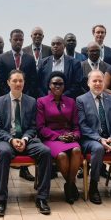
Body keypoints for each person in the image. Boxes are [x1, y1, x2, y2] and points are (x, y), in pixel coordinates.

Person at [0, 70, 52, 216]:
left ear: (24, 83)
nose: (18, 84)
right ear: (8, 82)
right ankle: (1, 199)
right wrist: (11, 140)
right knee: (4, 152)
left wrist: (24, 139)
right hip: (5, 140)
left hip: (27, 140)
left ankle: (42, 198)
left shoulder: (32, 101)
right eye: (14, 81)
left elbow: (33, 127)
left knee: (45, 152)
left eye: (21, 81)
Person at [77, 70, 111, 205]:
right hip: (91, 139)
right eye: (94, 81)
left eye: (100, 81)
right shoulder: (81, 100)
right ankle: (94, 186)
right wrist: (99, 139)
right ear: (88, 83)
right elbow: (83, 126)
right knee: (98, 149)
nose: (97, 83)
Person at [0, 29, 39, 181]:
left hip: (25, 100)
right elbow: (1, 80)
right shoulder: (2, 58)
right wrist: (9, 95)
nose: (18, 42)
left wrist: (24, 96)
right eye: (16, 39)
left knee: (24, 129)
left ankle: (24, 170)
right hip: (7, 100)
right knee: (10, 131)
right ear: (10, 40)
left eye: (21, 40)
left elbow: (33, 79)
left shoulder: (29, 58)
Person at [36, 72, 81, 204]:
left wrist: (74, 135)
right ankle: (71, 185)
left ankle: (69, 185)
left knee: (77, 151)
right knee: (61, 156)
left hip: (69, 137)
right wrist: (58, 136)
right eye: (54, 83)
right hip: (51, 137)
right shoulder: (41, 101)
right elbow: (41, 127)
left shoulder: (71, 102)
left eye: (60, 84)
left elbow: (76, 125)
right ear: (49, 85)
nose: (57, 86)